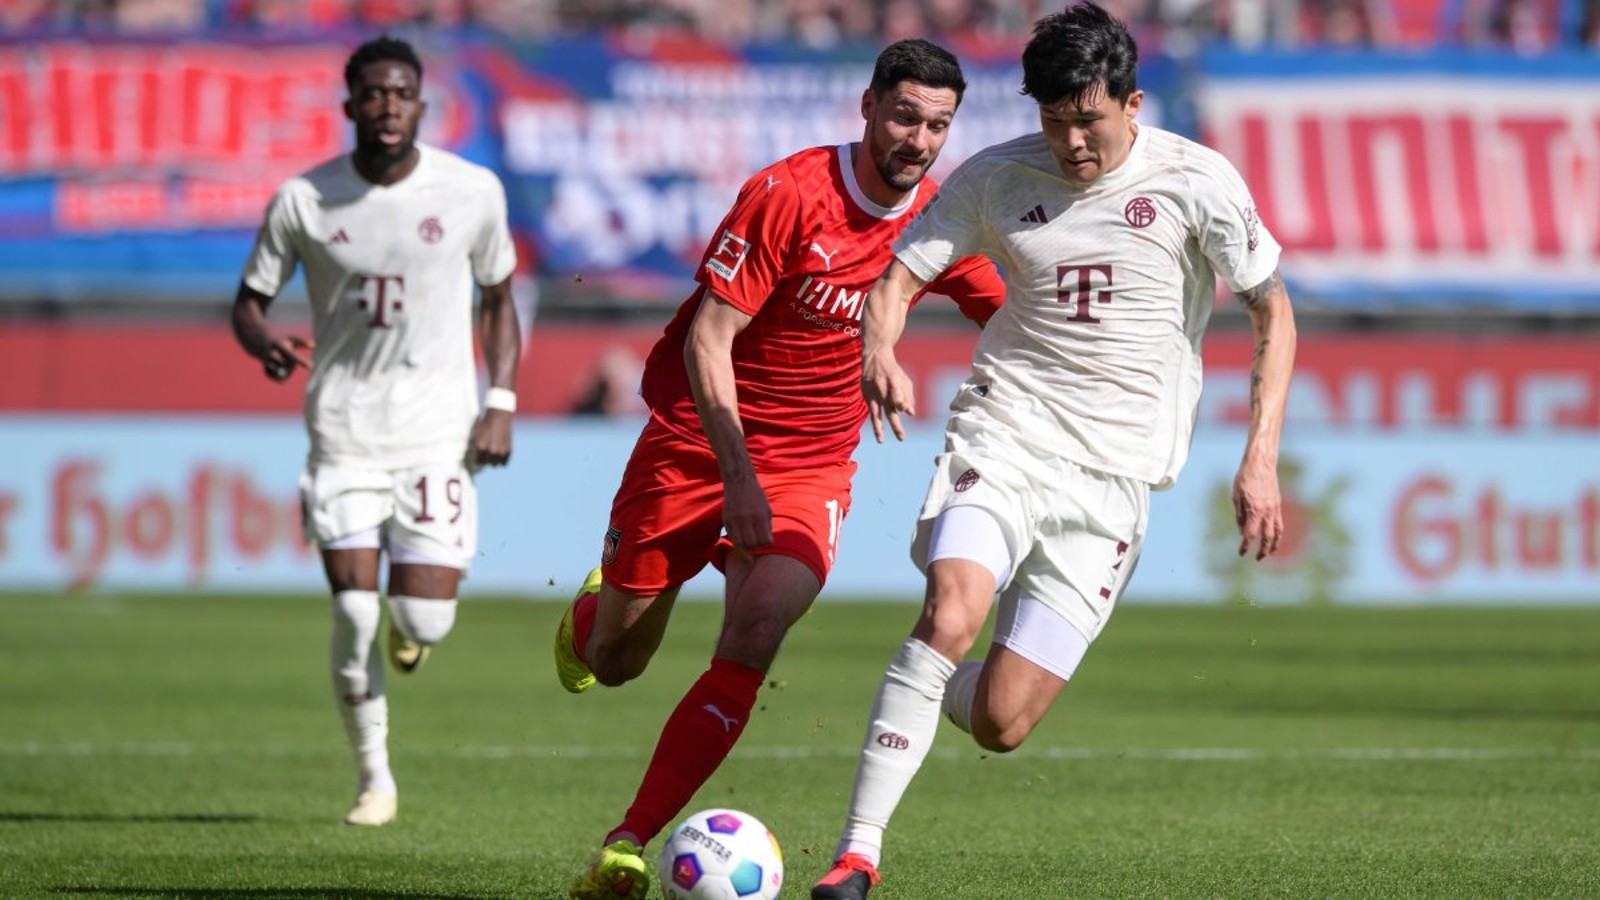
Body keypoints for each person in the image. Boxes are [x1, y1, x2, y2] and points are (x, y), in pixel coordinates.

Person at [810, 4, 1298, 898]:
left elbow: (1273, 306)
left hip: (1113, 480)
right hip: (1008, 432)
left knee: (1001, 722)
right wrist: (880, 346)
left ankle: (916, 693)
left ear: (1133, 102)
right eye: (1054, 119)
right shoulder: (996, 178)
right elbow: (900, 276)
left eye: (1090, 120)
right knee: (953, 611)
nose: (1073, 142)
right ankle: (857, 855)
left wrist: (1259, 455)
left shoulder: (1197, 181)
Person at [553, 38, 1007, 900]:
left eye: (938, 126)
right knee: (616, 660)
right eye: (905, 115)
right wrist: (738, 479)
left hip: (813, 463)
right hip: (700, 440)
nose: (917, 139)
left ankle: (627, 842)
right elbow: (708, 340)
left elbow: (1013, 316)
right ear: (869, 106)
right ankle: (593, 610)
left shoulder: (939, 221)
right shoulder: (789, 193)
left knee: (756, 633)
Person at [230, 35, 520, 828]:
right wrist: (265, 346)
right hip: (344, 432)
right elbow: (248, 301)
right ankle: (374, 779)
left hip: (437, 434)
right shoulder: (304, 200)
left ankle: (413, 628)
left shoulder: (470, 192)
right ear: (350, 104)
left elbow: (498, 298)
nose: (387, 107)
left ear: (421, 106)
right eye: (373, 94)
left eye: (402, 94)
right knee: (354, 611)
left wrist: (501, 400)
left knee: (422, 619)